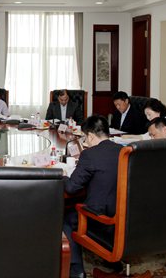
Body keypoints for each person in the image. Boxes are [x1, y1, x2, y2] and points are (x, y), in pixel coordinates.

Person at [63, 115, 122, 278]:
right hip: (125, 216)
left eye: (84, 137)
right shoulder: (123, 151)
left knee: (66, 218)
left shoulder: (90, 155)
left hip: (102, 218)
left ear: (89, 136)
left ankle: (77, 270)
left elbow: (71, 188)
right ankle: (113, 259)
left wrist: (64, 176)